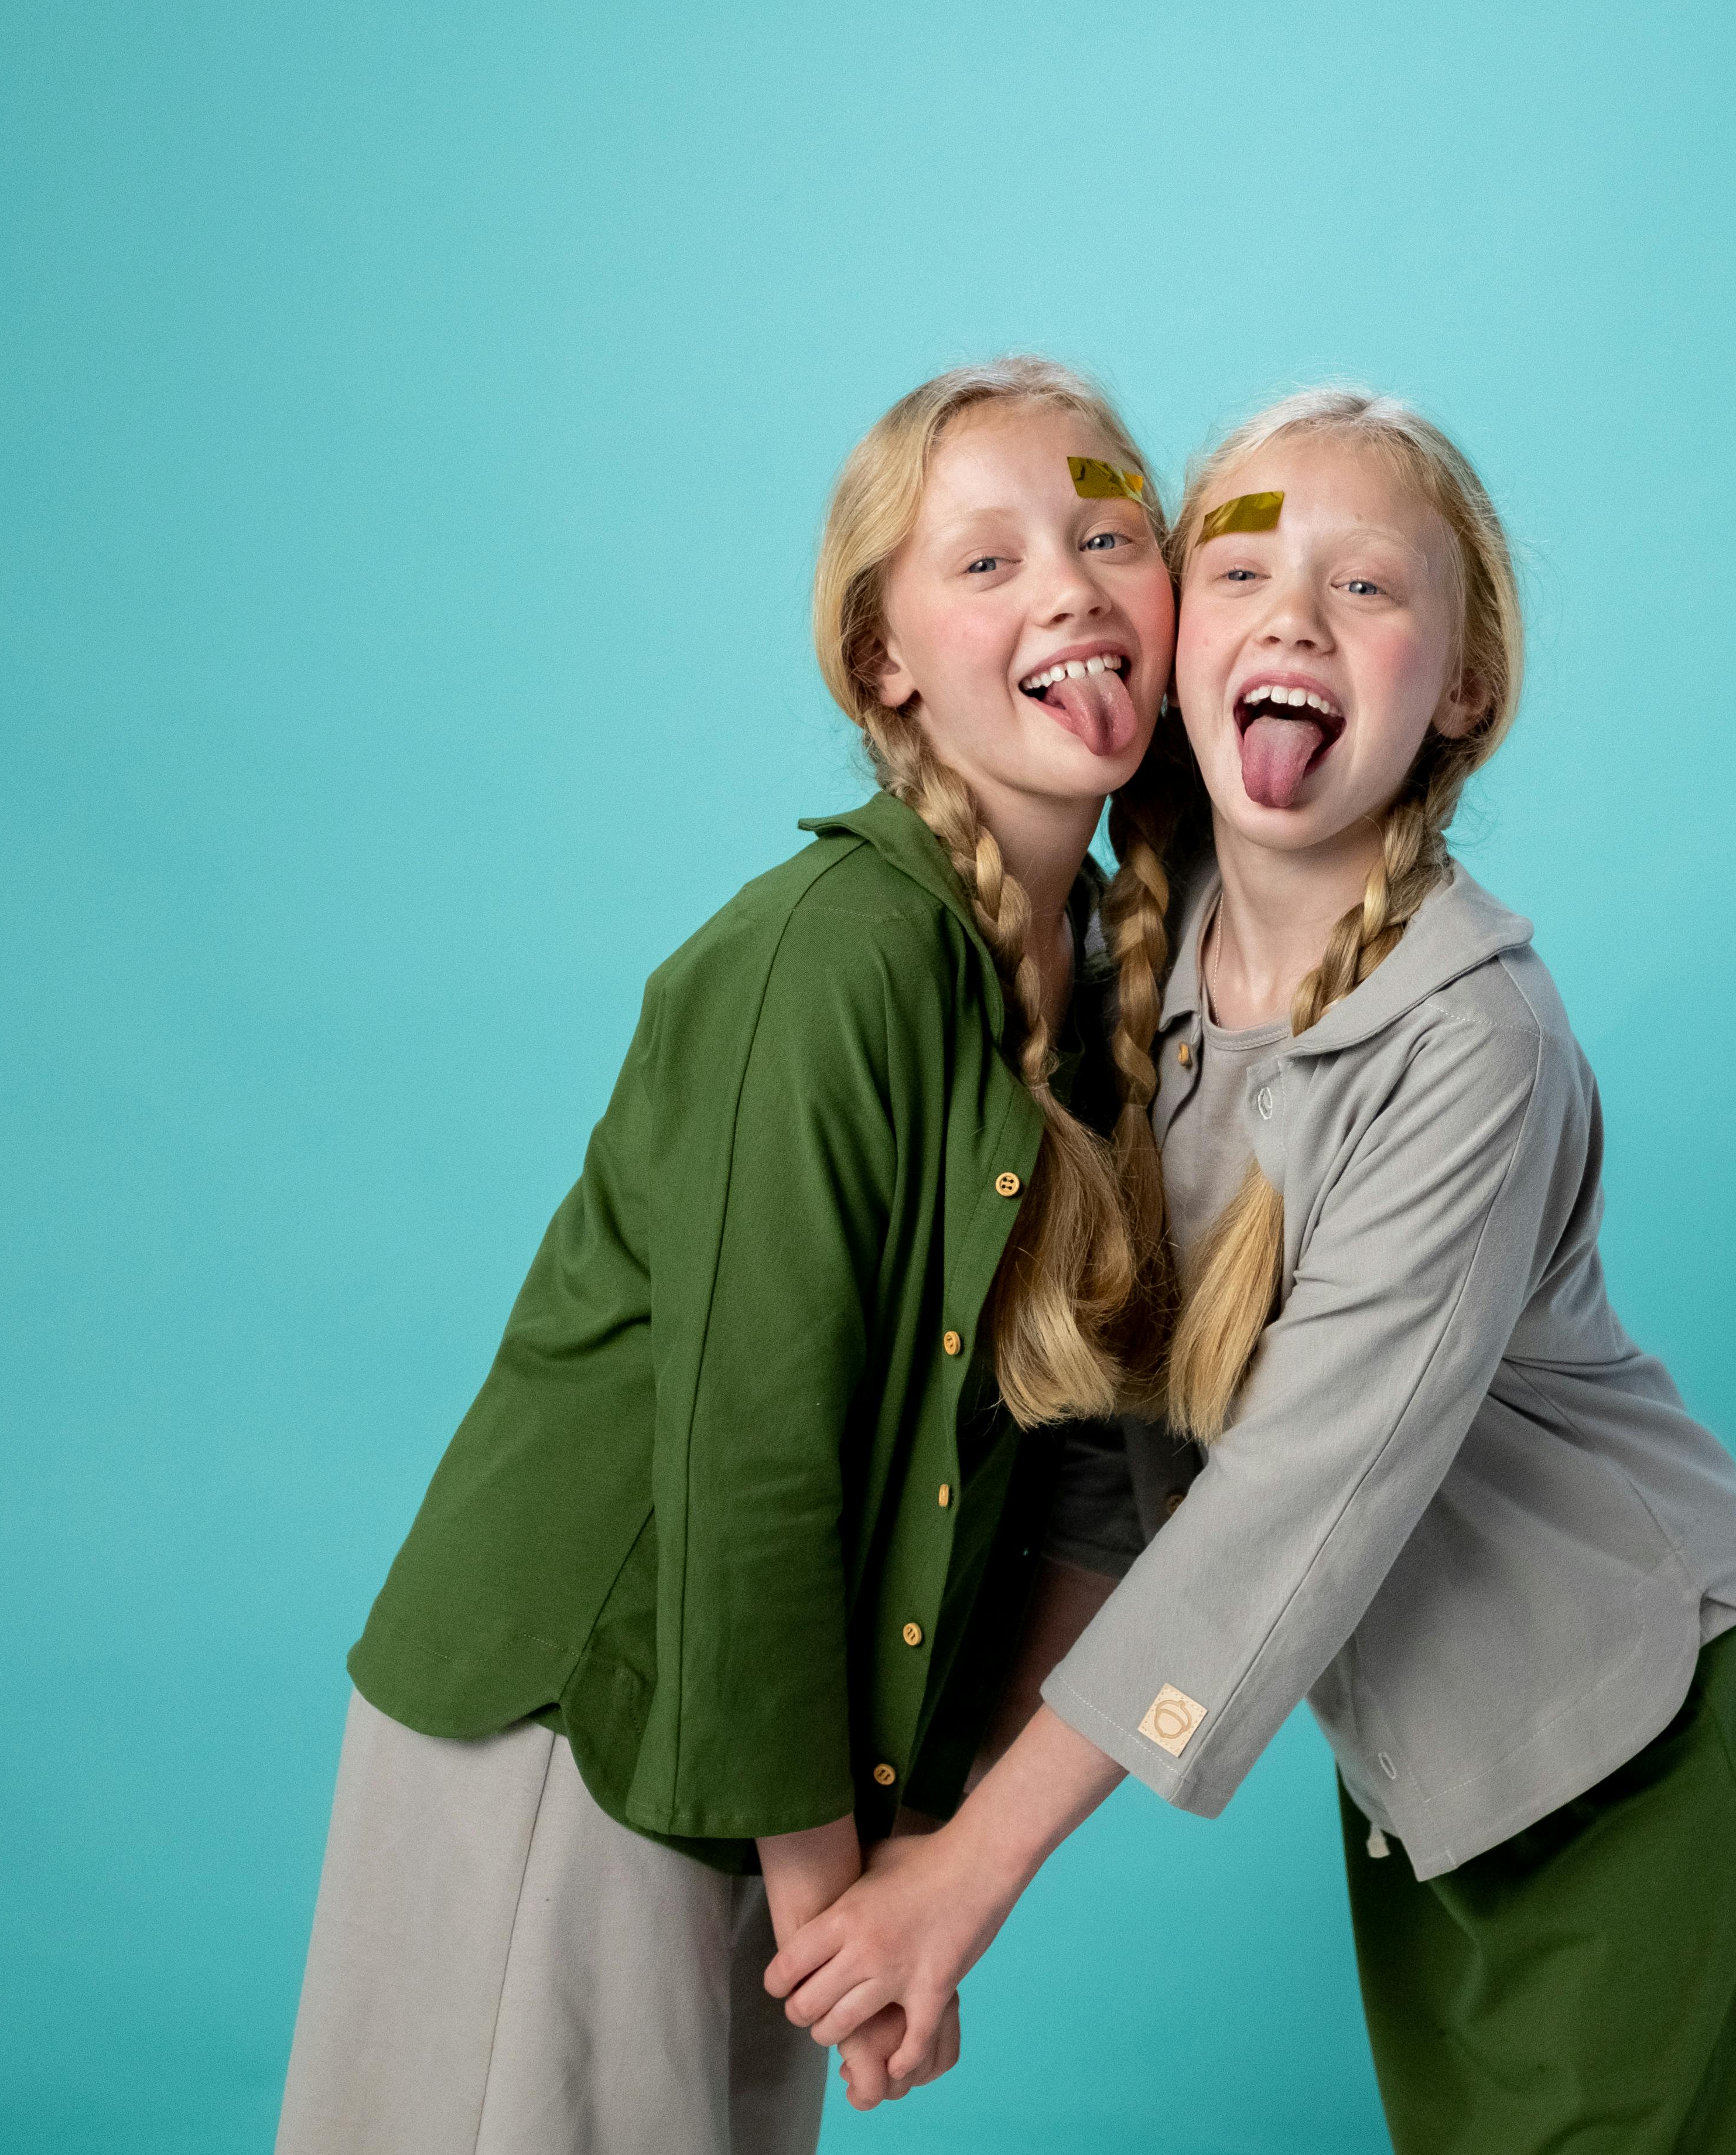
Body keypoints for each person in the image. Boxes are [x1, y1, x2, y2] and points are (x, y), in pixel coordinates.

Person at [764, 386, 1736, 2153]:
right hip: (1429, 1755)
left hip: (1619, 1719)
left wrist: (974, 1880)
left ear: (1461, 686)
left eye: (1368, 586)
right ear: (1177, 643)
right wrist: (913, 1851)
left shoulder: (1473, 1040)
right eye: (1236, 568)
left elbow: (1291, 1508)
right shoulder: (1135, 987)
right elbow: (1117, 1466)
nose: (1294, 616)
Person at [275, 354, 1177, 2151]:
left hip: (781, 1761)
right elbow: (755, 1461)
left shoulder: (1112, 1008)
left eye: (1105, 535)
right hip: (592, 1720)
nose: (1066, 586)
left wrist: (929, 1854)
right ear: (885, 664)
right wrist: (844, 1900)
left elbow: (1087, 1479)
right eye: (984, 561)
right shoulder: (840, 954)